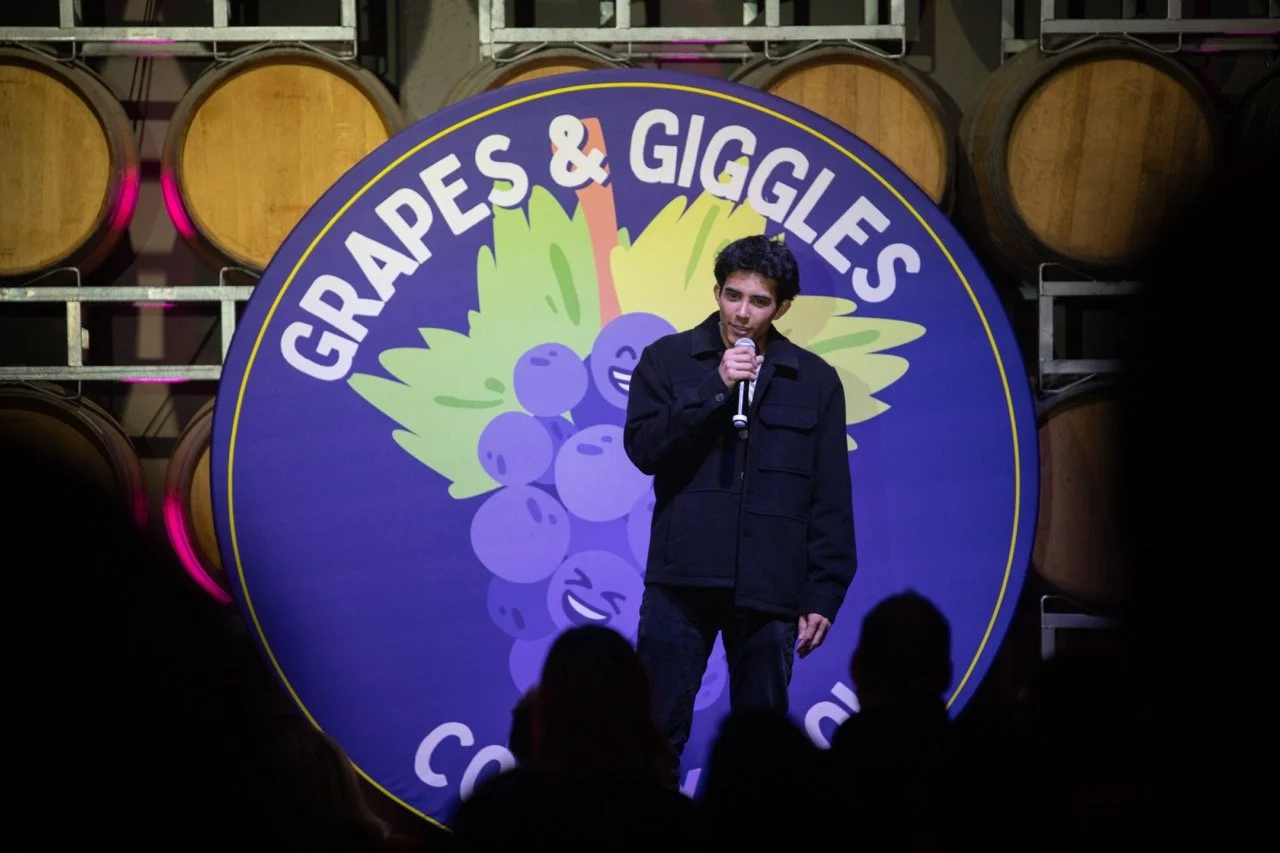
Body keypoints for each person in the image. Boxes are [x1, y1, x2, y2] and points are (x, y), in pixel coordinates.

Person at [623, 233, 857, 760]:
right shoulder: (667, 361)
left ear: (782, 307)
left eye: (759, 301)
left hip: (770, 588)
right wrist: (714, 388)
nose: (743, 314)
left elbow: (830, 493)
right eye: (733, 295)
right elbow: (643, 450)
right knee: (654, 733)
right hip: (681, 583)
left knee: (762, 748)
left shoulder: (815, 380)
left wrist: (824, 591)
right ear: (715, 292)